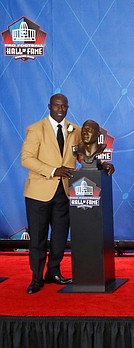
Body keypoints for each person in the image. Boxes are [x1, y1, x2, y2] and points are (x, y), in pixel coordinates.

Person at [20, 94, 78, 294]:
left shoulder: (74, 129)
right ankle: (36, 278)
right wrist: (53, 170)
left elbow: (83, 155)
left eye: (64, 105)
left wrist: (101, 164)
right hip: (39, 193)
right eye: (56, 105)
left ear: (68, 107)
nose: (60, 109)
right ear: (49, 106)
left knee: (61, 236)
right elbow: (26, 159)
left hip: (64, 192)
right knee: (38, 238)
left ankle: (53, 272)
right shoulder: (36, 129)